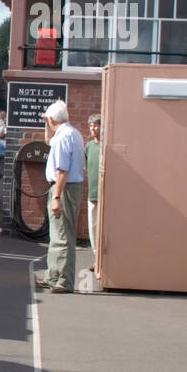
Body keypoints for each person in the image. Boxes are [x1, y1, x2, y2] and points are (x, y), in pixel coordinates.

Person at [37, 100, 85, 293]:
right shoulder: (71, 134)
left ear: (51, 119)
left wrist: (56, 197)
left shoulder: (63, 137)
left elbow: (62, 171)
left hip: (63, 188)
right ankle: (54, 275)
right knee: (58, 235)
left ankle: (64, 280)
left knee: (62, 235)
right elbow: (49, 141)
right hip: (67, 187)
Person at [85, 113, 102, 274]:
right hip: (92, 194)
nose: (93, 129)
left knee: (102, 230)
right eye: (91, 126)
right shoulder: (89, 146)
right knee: (92, 229)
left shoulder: (105, 147)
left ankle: (101, 262)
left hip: (104, 196)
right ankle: (96, 259)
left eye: (96, 125)